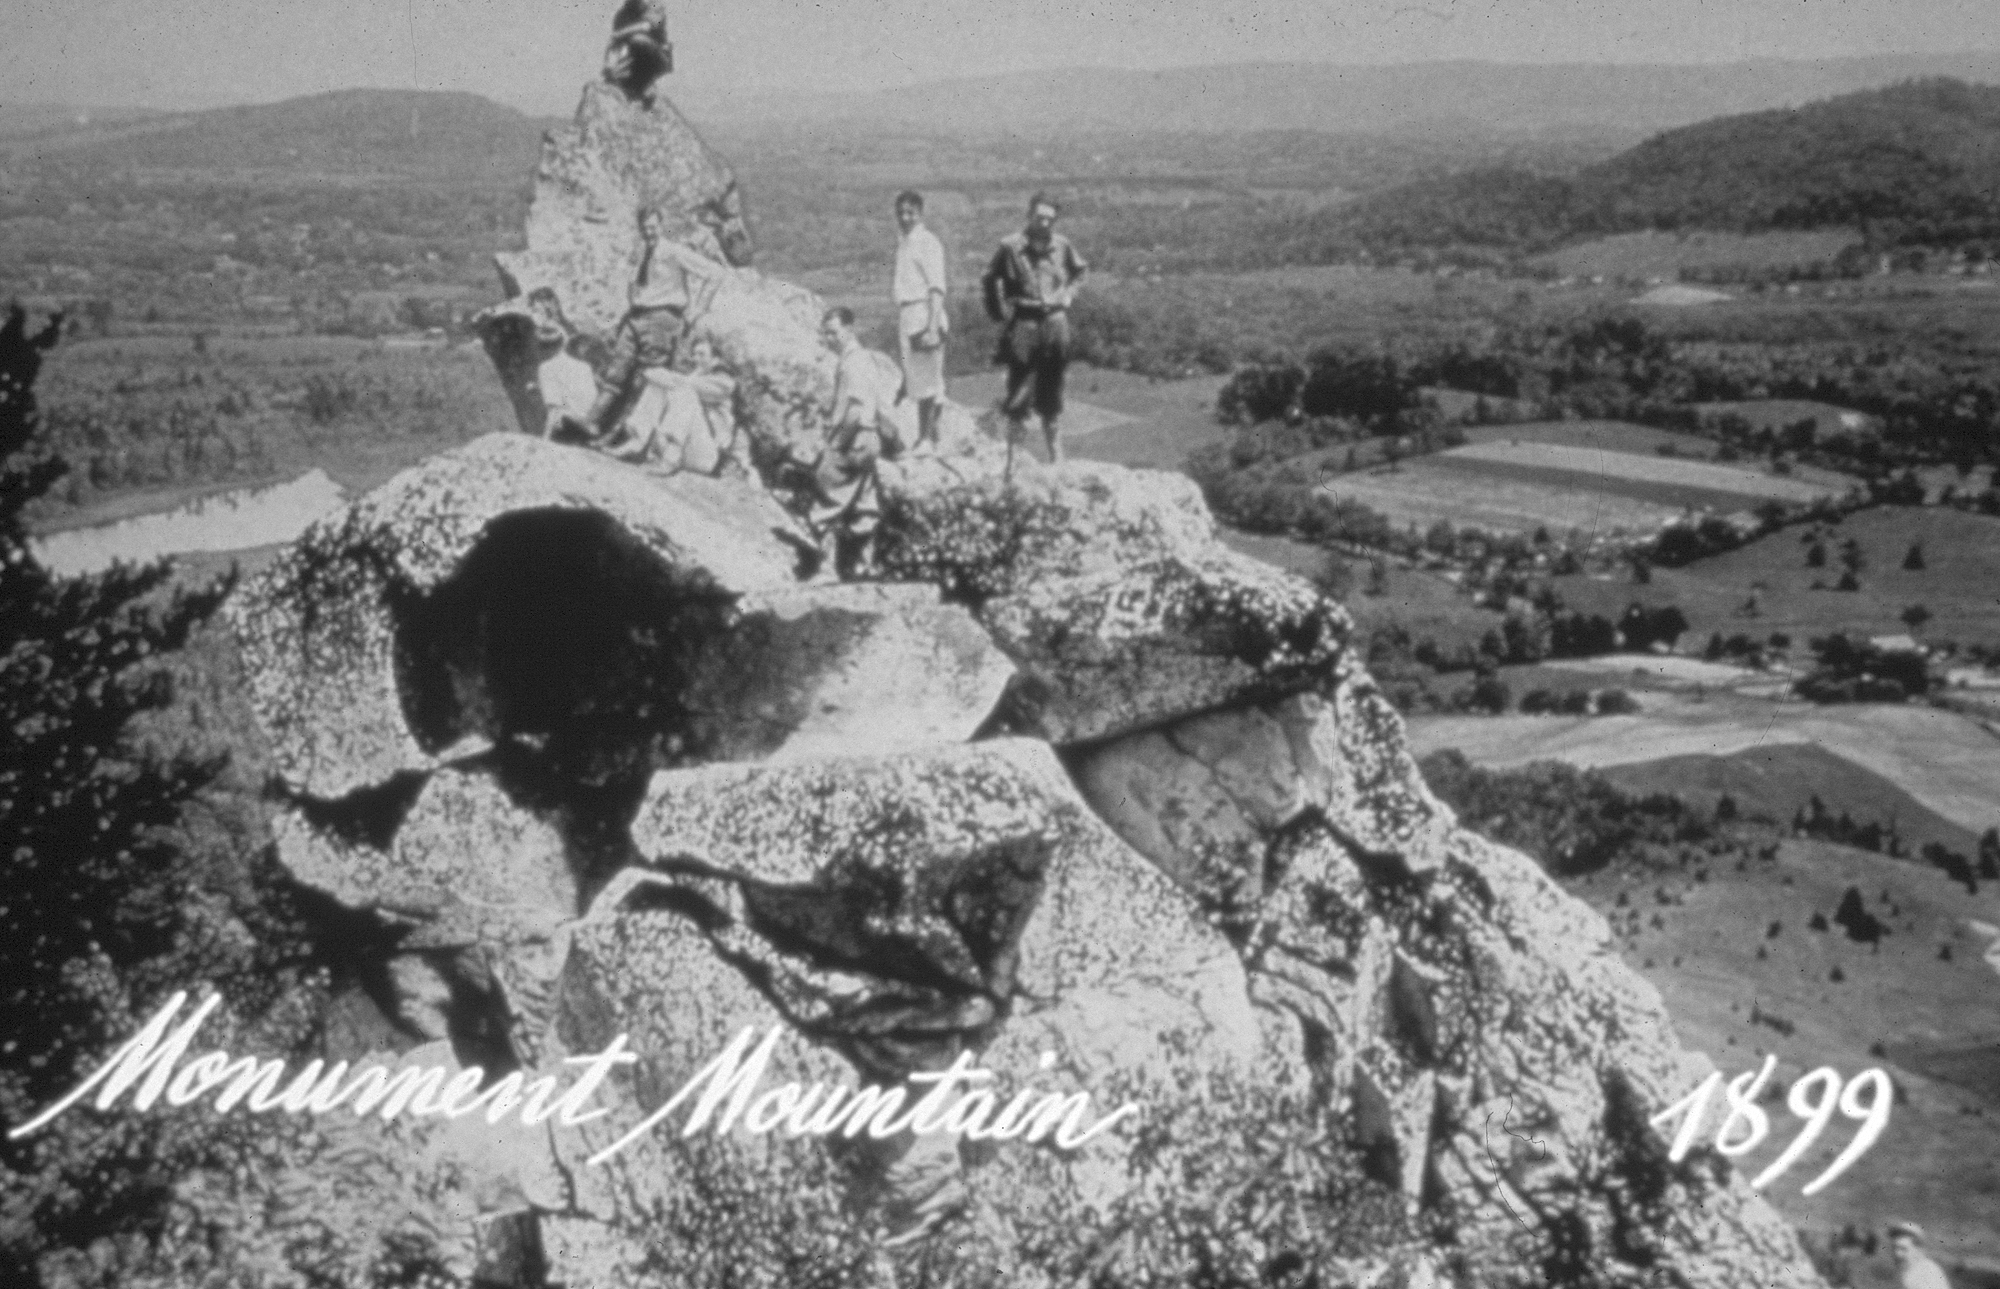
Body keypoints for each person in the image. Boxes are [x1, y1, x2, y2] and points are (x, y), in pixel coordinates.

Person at [980, 192, 1087, 465]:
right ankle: (1014, 452)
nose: (1045, 224)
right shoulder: (1010, 246)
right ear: (1029, 216)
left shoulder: (1062, 245)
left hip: (1055, 321)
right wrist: (998, 312)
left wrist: (1068, 295)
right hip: (1025, 321)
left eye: (1050, 219)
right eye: (1040, 217)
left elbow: (1080, 272)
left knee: (1053, 383)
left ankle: (1055, 451)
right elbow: (990, 277)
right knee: (1019, 384)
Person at [586, 208, 711, 439]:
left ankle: (621, 435)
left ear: (661, 225)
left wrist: (697, 310)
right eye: (644, 229)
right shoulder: (642, 252)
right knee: (616, 370)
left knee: (645, 379)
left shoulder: (674, 252)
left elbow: (714, 273)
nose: (649, 233)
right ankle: (591, 422)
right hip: (636, 316)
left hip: (661, 319)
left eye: (653, 227)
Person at [608, 335, 738, 476]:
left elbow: (688, 385)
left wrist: (659, 374)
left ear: (715, 359)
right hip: (686, 447)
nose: (696, 359)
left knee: (684, 391)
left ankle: (670, 460)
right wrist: (658, 376)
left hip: (704, 454)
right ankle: (636, 443)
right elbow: (677, 381)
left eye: (702, 354)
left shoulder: (725, 381)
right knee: (658, 385)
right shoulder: (696, 375)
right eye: (694, 354)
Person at [891, 190, 948, 449]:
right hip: (908, 313)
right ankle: (933, 437)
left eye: (910, 213)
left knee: (927, 381)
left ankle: (926, 439)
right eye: (901, 213)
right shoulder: (905, 242)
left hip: (924, 312)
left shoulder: (928, 242)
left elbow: (936, 287)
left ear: (920, 214)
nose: (905, 218)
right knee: (916, 377)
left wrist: (933, 326)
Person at [523, 289, 599, 440]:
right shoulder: (554, 331)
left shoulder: (559, 333)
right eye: (534, 310)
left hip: (572, 413)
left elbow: (564, 376)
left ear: (551, 306)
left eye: (537, 310)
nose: (535, 315)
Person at [603, 0, 673, 102]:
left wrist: (621, 33)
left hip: (658, 57)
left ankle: (647, 84)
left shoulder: (655, 7)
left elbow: (647, 26)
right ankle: (631, 81)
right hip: (632, 60)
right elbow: (614, 41)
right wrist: (609, 64)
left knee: (638, 40)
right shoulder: (623, 14)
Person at [1889, 1223, 1953, 1289]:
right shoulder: (1906, 1270)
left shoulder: (1929, 1272)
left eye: (1903, 1249)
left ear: (1918, 1249)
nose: (1897, 1254)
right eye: (1894, 1248)